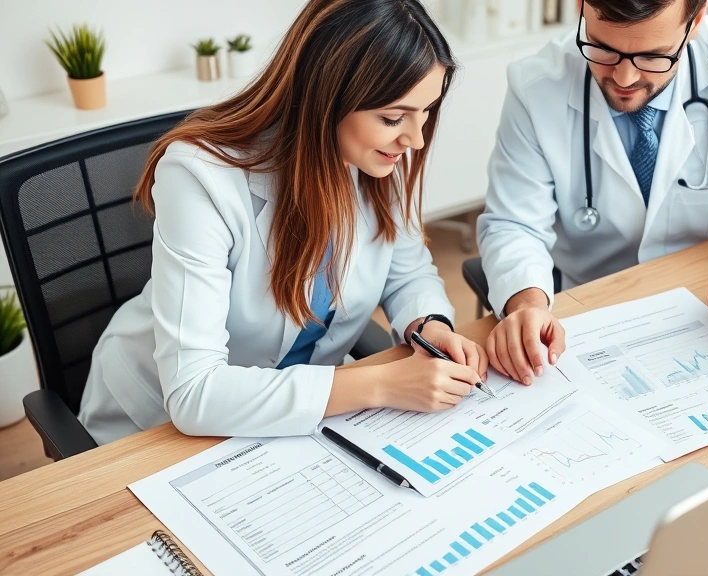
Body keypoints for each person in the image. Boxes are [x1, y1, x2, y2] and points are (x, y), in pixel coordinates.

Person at [78, 0, 487, 445]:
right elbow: (195, 393)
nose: (416, 139)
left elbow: (406, 273)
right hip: (153, 423)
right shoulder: (200, 175)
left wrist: (429, 326)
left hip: (294, 418)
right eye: (393, 118)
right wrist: (381, 384)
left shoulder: (378, 158)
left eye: (426, 112)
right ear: (326, 96)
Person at [477, 0, 708, 384]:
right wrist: (526, 305)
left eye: (652, 56)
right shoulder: (536, 86)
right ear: (580, 7)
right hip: (589, 310)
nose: (624, 78)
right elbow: (514, 225)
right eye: (602, 48)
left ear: (696, 19)